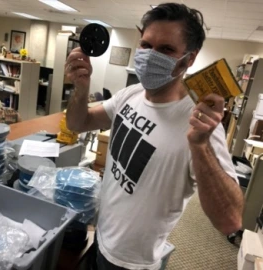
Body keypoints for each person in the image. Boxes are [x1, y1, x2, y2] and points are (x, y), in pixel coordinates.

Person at [65, 3, 244, 270]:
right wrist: (80, 88)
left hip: (131, 262)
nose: (151, 56)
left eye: (167, 49)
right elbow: (79, 123)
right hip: (101, 235)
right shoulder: (132, 94)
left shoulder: (200, 123)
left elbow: (230, 220)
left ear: (190, 59)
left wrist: (199, 145)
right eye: (146, 45)